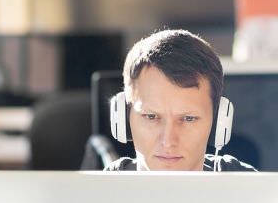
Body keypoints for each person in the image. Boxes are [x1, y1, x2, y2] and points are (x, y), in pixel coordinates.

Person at [104, 29, 256, 172]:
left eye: (188, 118)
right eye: (151, 116)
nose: (168, 142)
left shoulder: (252, 186)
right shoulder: (99, 188)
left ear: (217, 122)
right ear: (124, 118)